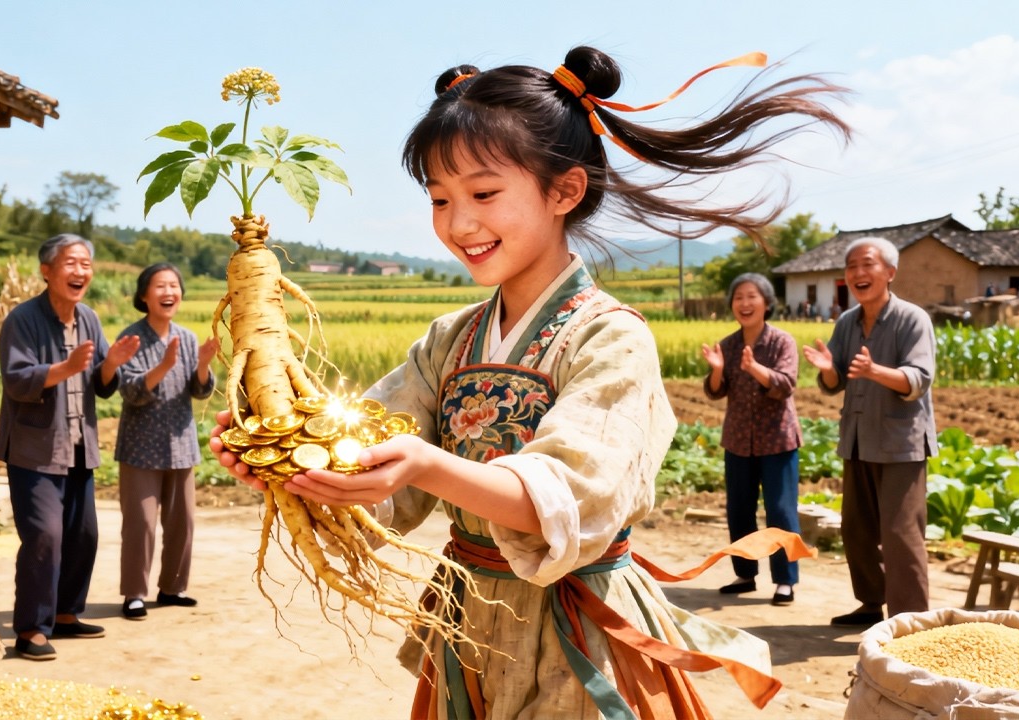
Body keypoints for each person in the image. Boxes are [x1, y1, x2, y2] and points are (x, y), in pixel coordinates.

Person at [212, 46, 846, 717]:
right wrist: (294, 464)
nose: (459, 223)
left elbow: (569, 492)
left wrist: (424, 464)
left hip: (581, 631)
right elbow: (370, 451)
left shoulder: (612, 337)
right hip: (469, 628)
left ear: (564, 190)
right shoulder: (449, 340)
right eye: (439, 199)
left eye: (484, 194)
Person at [0, 233, 140, 661]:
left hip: (78, 445)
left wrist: (110, 365)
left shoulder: (89, 319)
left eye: (86, 265)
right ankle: (31, 631)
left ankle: (64, 614)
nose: (80, 272)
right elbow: (18, 380)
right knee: (44, 536)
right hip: (34, 449)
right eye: (70, 264)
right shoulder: (22, 319)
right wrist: (65, 368)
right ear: (46, 271)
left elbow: (100, 383)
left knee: (83, 535)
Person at [803, 236, 936, 628]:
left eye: (868, 265)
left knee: (900, 535)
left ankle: (911, 622)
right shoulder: (847, 322)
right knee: (856, 530)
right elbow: (836, 379)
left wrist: (876, 371)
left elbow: (919, 379)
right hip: (858, 439)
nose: (859, 273)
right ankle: (869, 604)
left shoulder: (913, 319)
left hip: (901, 445)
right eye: (852, 268)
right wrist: (829, 367)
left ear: (889, 273)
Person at [114, 263, 219, 620]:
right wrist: (164, 365)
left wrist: (203, 364)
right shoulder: (131, 338)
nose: (168, 292)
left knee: (182, 521)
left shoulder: (188, 338)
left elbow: (200, 391)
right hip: (140, 447)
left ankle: (173, 588)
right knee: (140, 524)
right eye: (160, 286)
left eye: (174, 285)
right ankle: (134, 594)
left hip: (181, 442)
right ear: (144, 296)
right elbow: (129, 391)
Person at [701, 273, 803, 606]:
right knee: (740, 510)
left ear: (767, 303)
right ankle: (745, 574)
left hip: (779, 441)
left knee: (781, 512)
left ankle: (785, 581)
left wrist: (756, 368)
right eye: (738, 298)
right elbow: (716, 392)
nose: (744, 304)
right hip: (739, 441)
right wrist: (717, 369)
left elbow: (786, 384)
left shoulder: (781, 341)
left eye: (752, 297)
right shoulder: (728, 345)